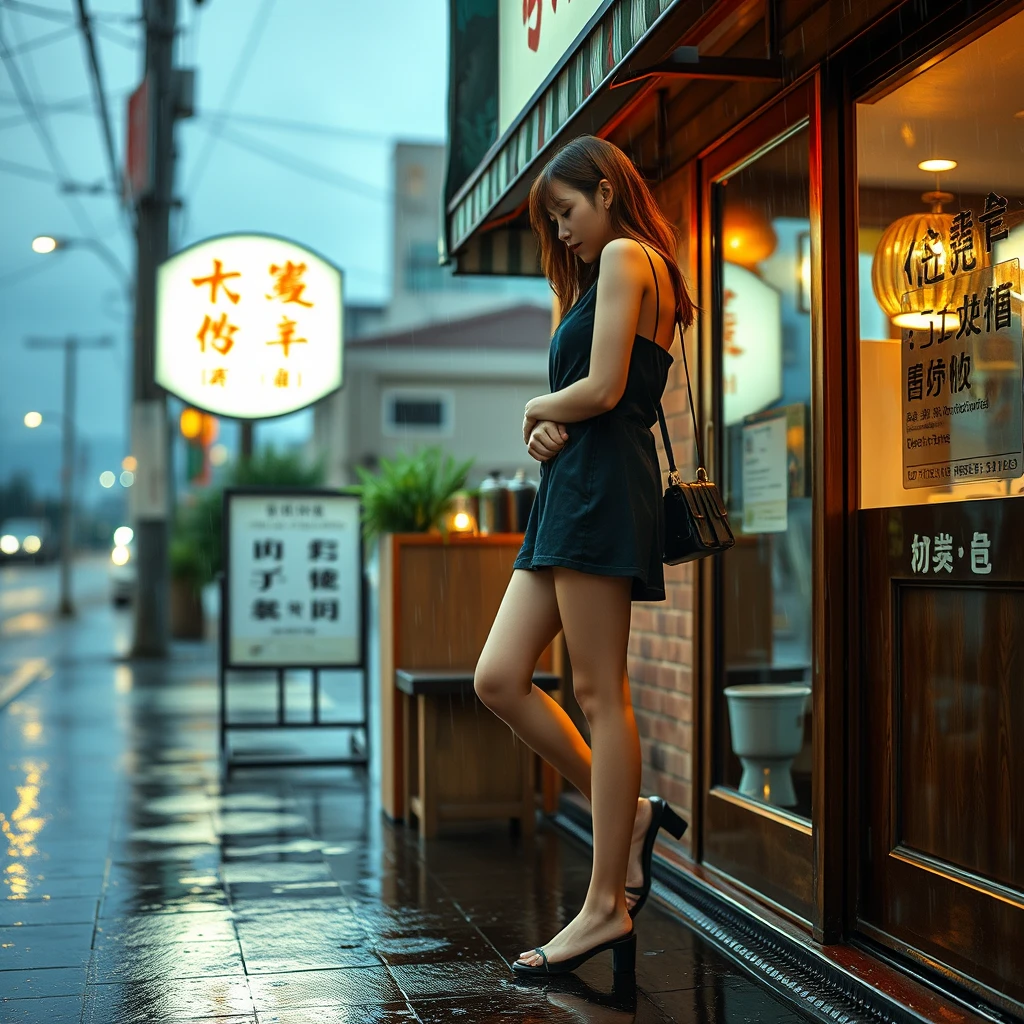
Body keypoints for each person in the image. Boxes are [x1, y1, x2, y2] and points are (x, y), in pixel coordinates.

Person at [473, 134, 695, 978]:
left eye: (565, 212)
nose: (560, 233)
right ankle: (630, 815)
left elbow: (604, 389)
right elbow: (592, 398)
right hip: (573, 490)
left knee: (602, 693)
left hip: (604, 492)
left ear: (607, 190)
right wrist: (544, 430)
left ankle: (606, 905)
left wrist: (535, 403)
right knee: (499, 676)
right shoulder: (611, 267)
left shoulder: (632, 255)